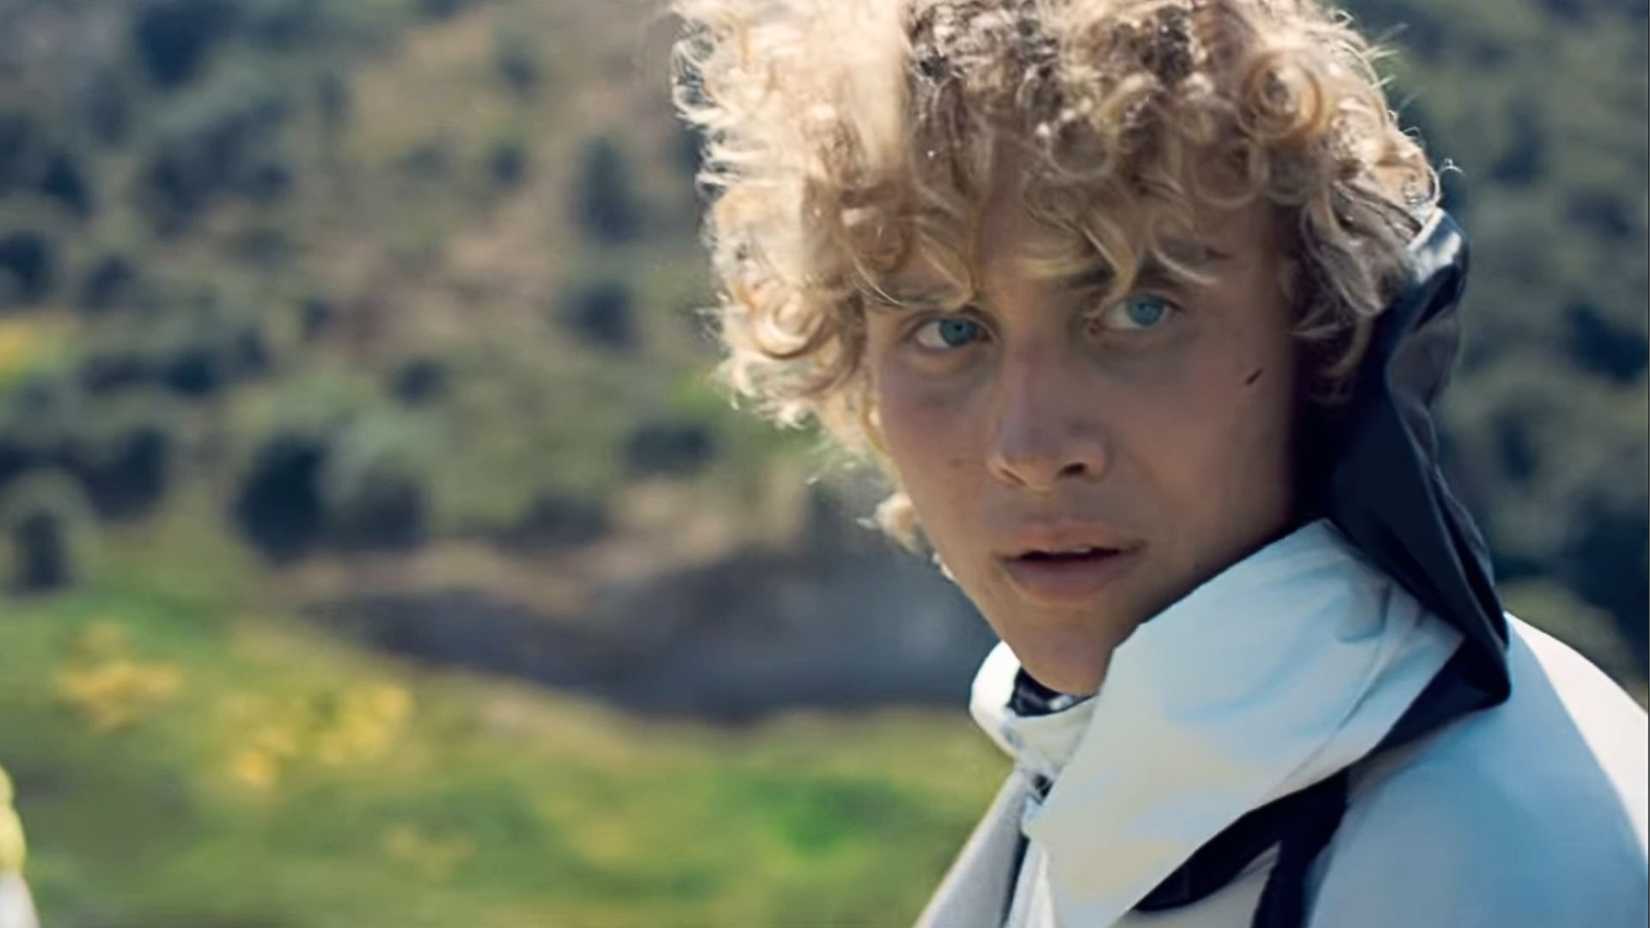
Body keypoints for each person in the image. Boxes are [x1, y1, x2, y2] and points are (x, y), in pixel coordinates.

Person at [669, 1, 1648, 925]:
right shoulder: (1088, 777)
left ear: (1325, 328)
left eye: (1138, 309)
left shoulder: (1490, 851)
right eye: (947, 328)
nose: (1031, 450)